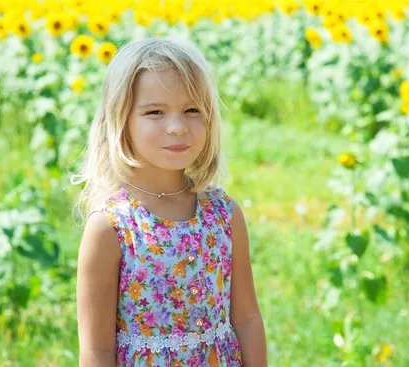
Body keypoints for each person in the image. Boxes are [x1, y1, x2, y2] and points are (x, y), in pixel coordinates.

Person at [70, 36, 267, 366]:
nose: (177, 127)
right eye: (155, 112)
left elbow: (246, 319)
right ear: (121, 120)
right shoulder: (111, 227)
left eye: (192, 110)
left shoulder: (224, 215)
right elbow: (96, 349)